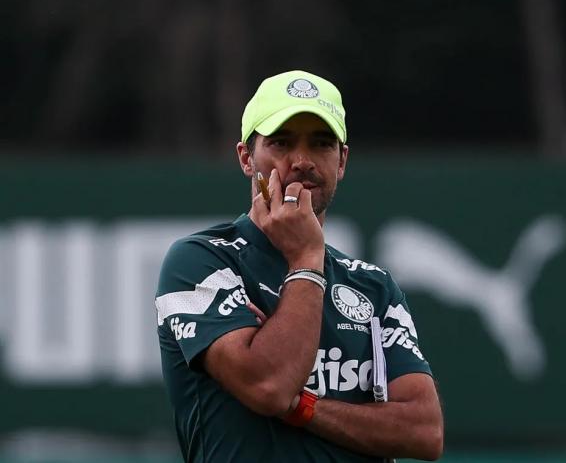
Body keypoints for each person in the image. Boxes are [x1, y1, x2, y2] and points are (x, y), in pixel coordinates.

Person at [155, 70, 444, 462]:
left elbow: (424, 431)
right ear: (246, 157)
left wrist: (302, 406)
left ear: (341, 161)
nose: (302, 160)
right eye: (281, 142)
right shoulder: (201, 260)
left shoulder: (372, 286)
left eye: (322, 143)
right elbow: (270, 386)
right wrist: (307, 259)